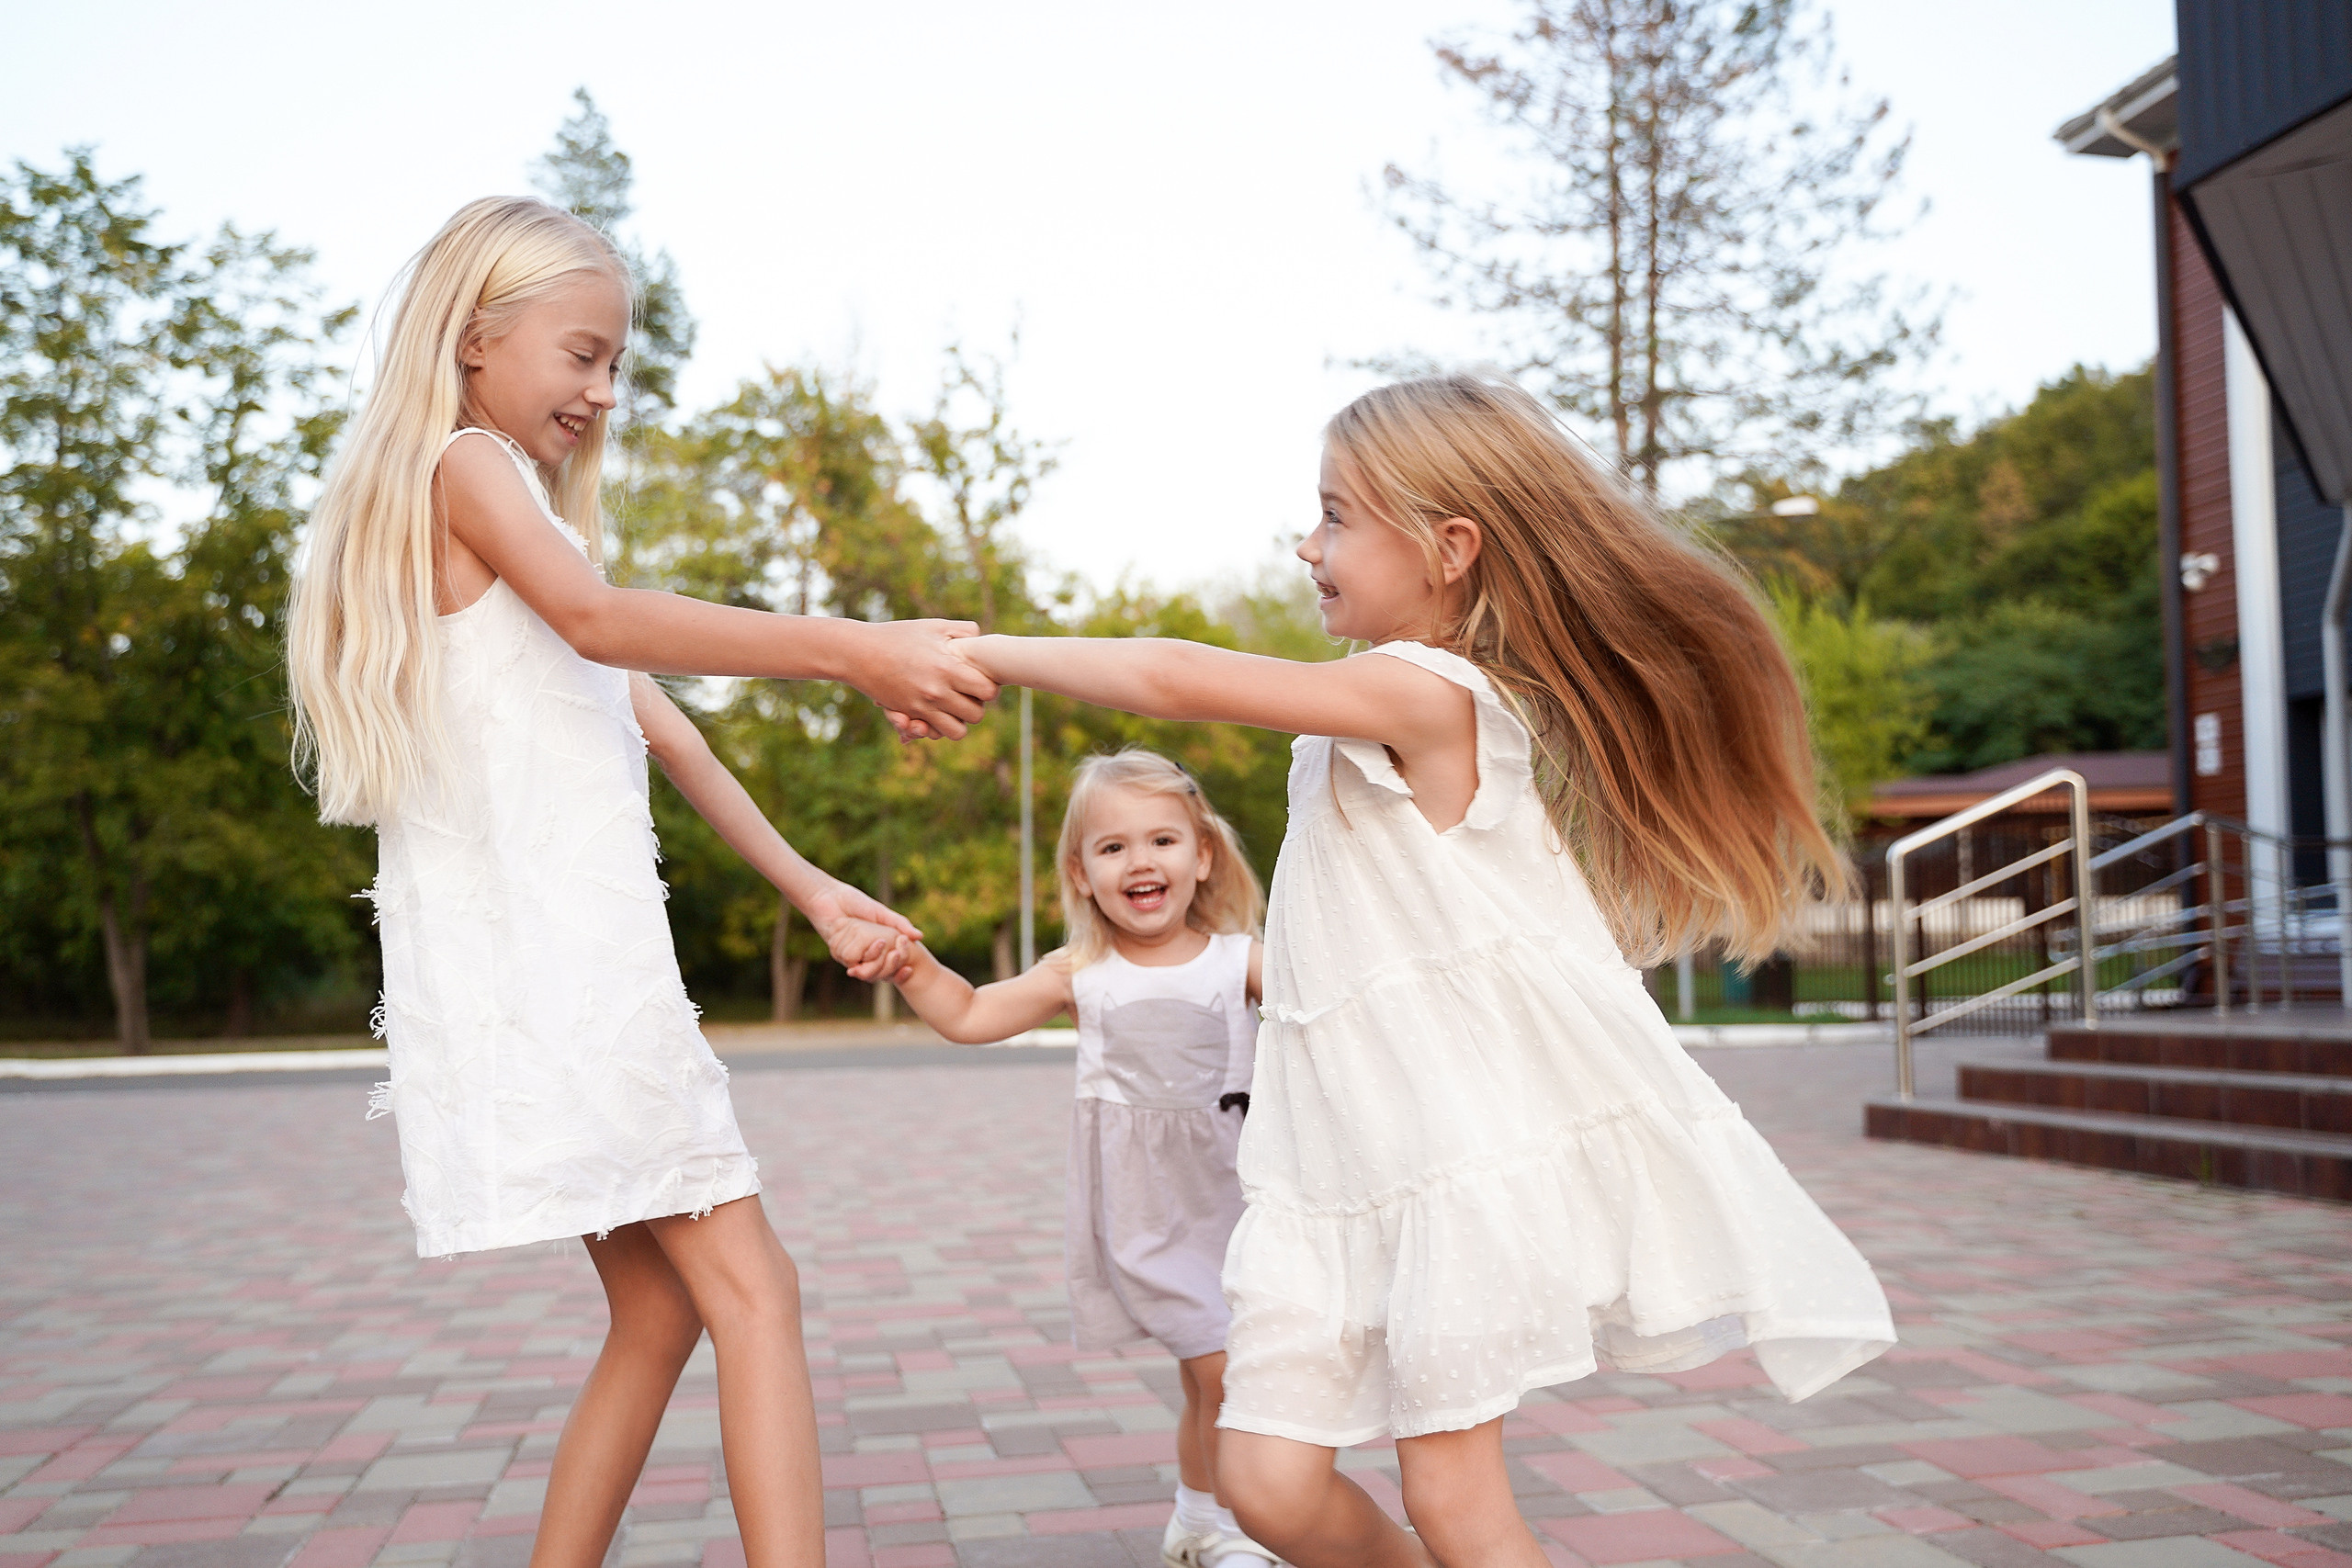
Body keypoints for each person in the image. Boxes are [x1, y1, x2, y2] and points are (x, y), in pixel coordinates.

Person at [931, 373, 1897, 1568]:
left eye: (1336, 514)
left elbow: (1177, 679)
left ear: (1449, 547)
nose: (1307, 542)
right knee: (1266, 1480)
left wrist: (979, 652)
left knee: (1456, 1504)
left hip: (1443, 1176)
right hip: (1338, 1173)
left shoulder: (1430, 692)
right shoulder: (1377, 703)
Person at [285, 196, 990, 1568]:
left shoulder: (498, 501)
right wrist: (853, 645)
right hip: (565, 977)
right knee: (755, 1289)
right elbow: (609, 622)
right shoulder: (467, 466)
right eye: (583, 353)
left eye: (618, 365)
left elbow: (653, 714)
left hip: (550, 976)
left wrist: (809, 884)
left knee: (664, 1312)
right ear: (477, 338)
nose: (604, 391)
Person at [883, 750, 1283, 1568]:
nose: (1141, 860)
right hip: (1147, 1217)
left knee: (1210, 1374)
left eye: (1163, 839)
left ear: (1202, 855)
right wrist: (915, 967)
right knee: (1223, 1367)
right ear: (1082, 872)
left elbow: (1332, 1014)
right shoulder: (1082, 973)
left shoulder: (1239, 960)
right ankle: (1237, 1528)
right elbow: (967, 1014)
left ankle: (1198, 1518)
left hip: (1237, 1207)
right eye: (1113, 847)